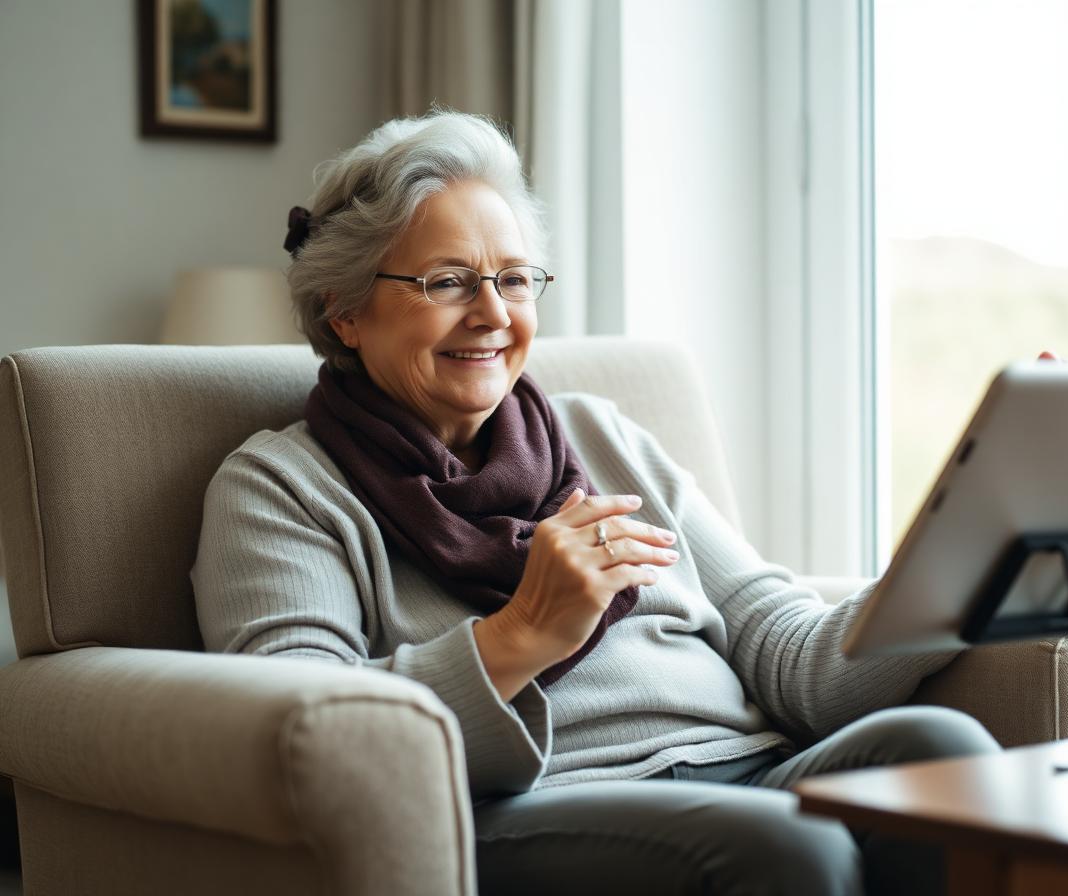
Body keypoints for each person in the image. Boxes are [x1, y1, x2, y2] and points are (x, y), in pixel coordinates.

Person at [191, 110, 1000, 895]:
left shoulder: (598, 433)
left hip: (747, 769)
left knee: (944, 755)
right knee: (781, 847)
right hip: (529, 808)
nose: (495, 314)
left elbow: (792, 658)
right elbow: (306, 746)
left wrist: (965, 548)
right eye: (447, 282)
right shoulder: (282, 488)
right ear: (345, 311)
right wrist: (521, 635)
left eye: (513, 278)